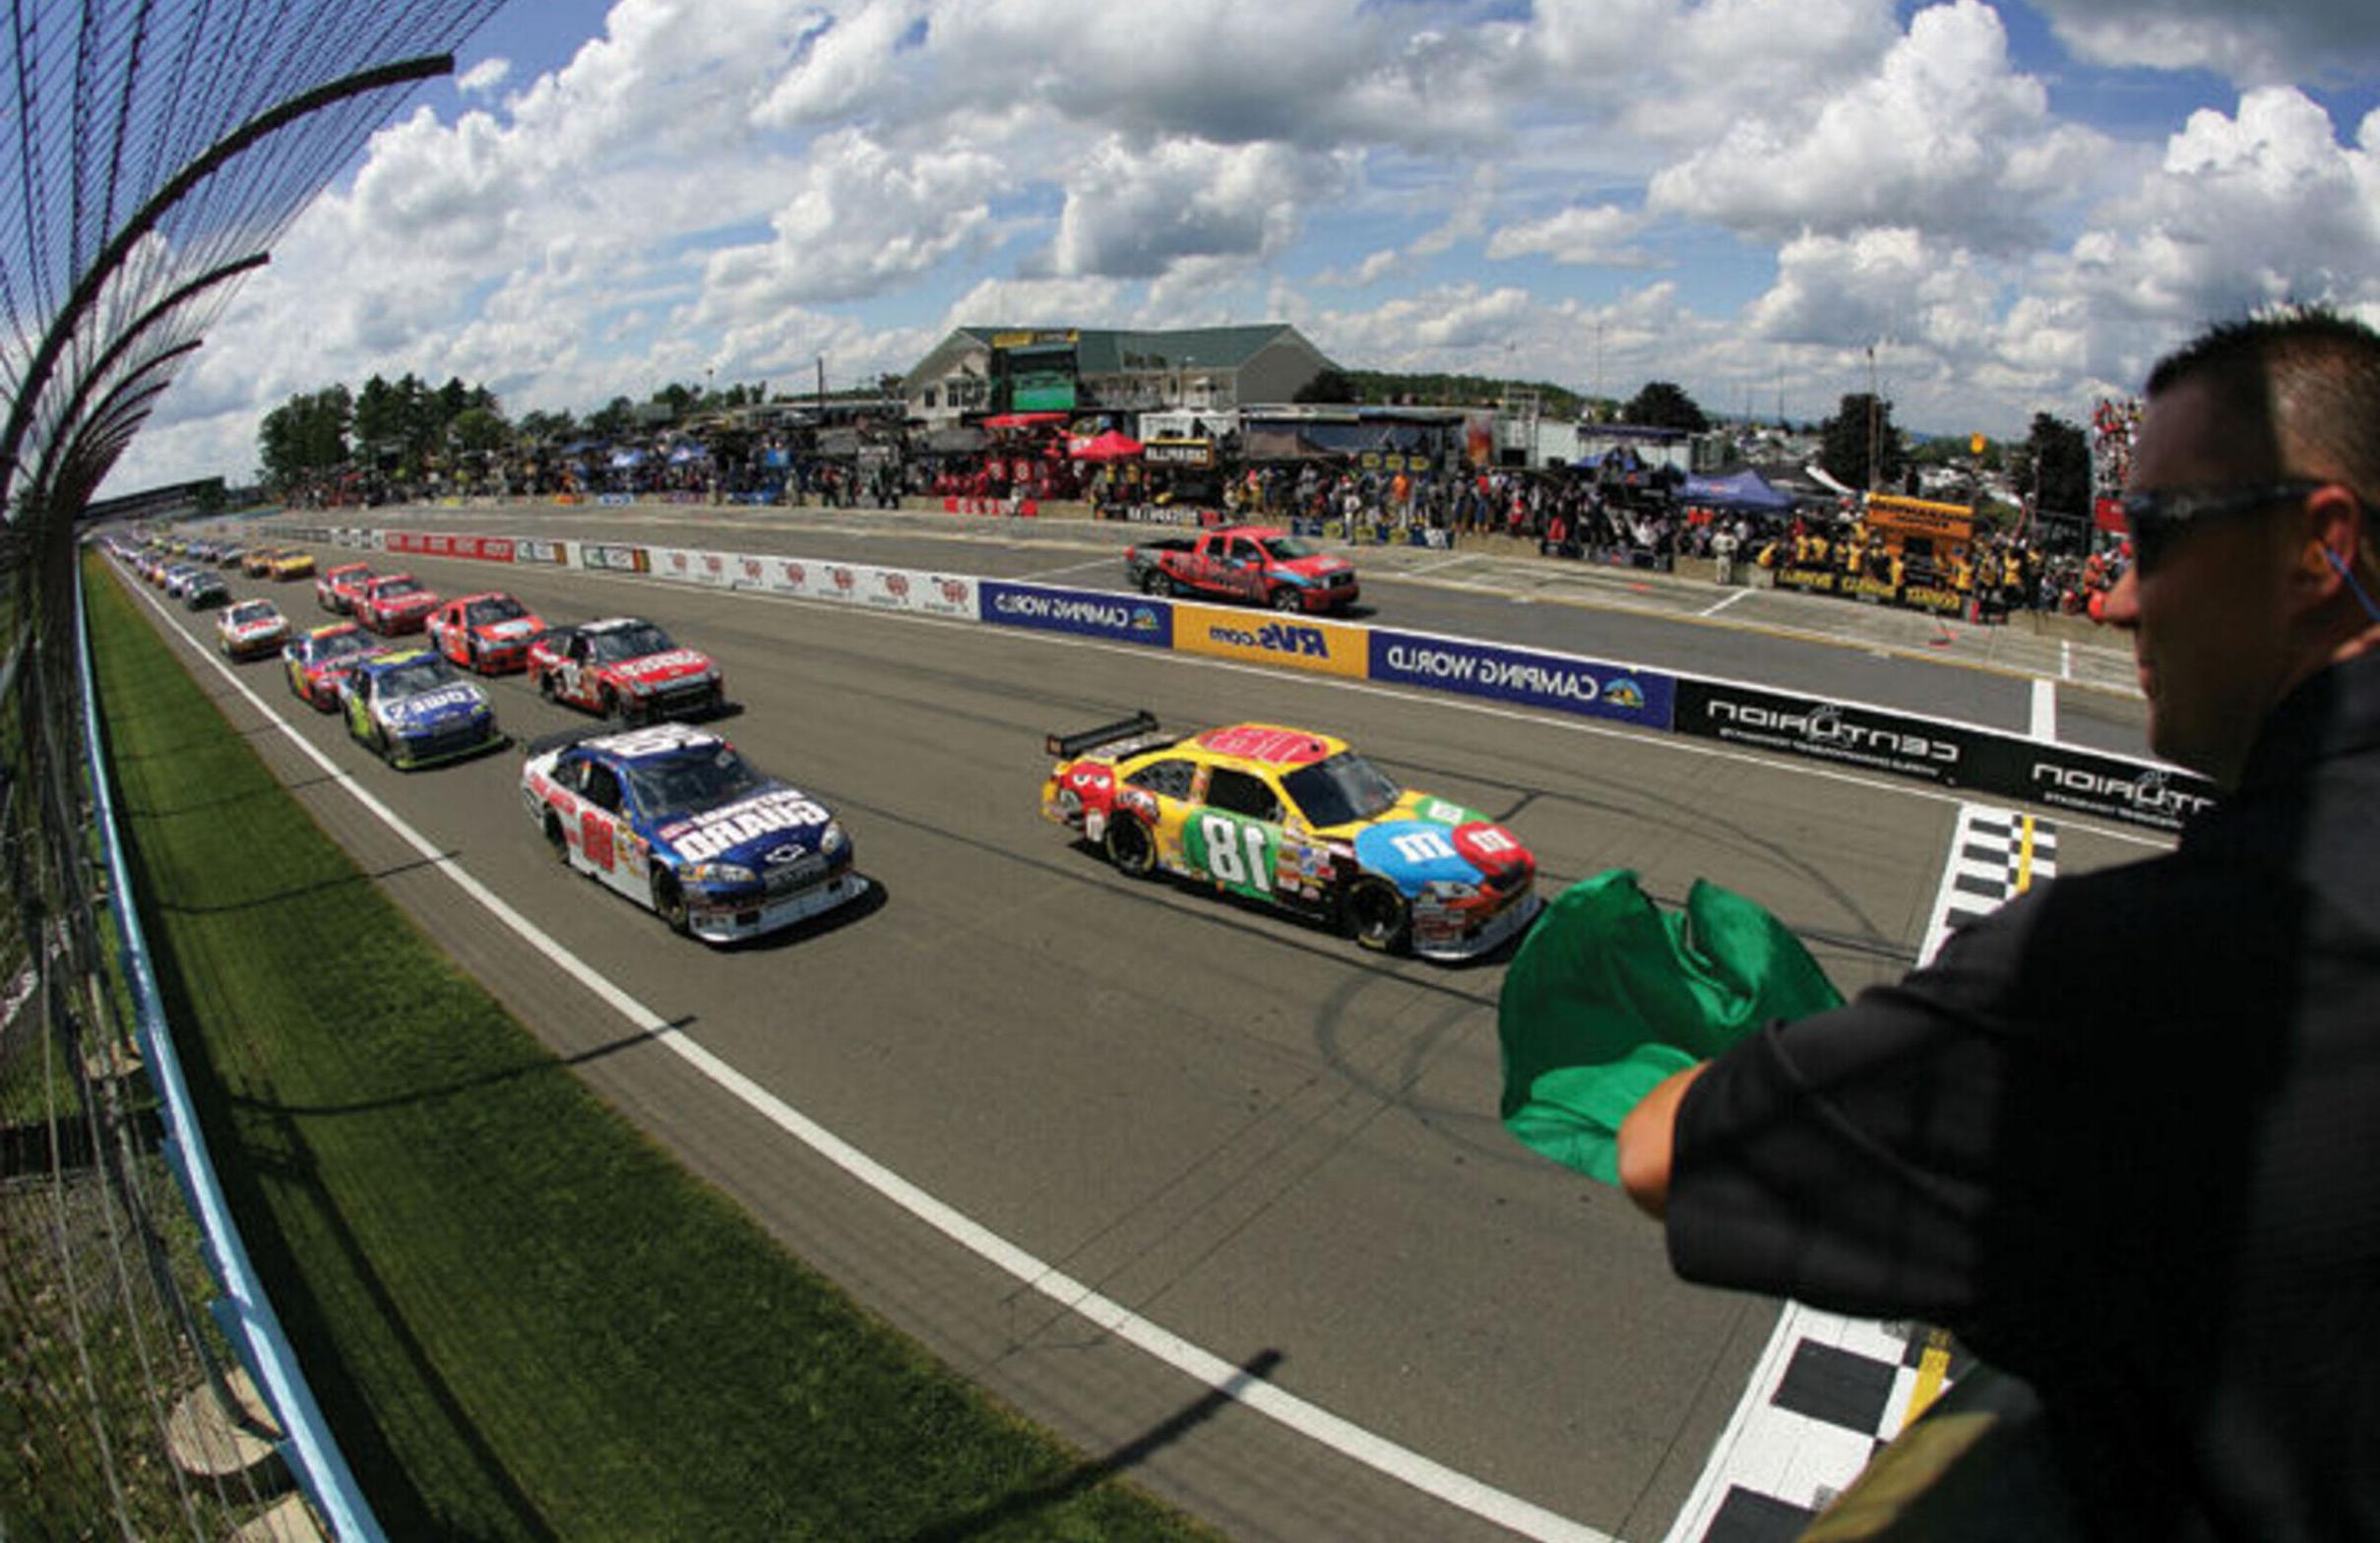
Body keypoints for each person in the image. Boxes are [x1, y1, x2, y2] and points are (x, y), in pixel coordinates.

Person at [1613, 308, 2380, 1541]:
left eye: (2156, 536)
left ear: (2315, 551)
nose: (2118, 598)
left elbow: (1668, 1149)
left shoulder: (2162, 964)